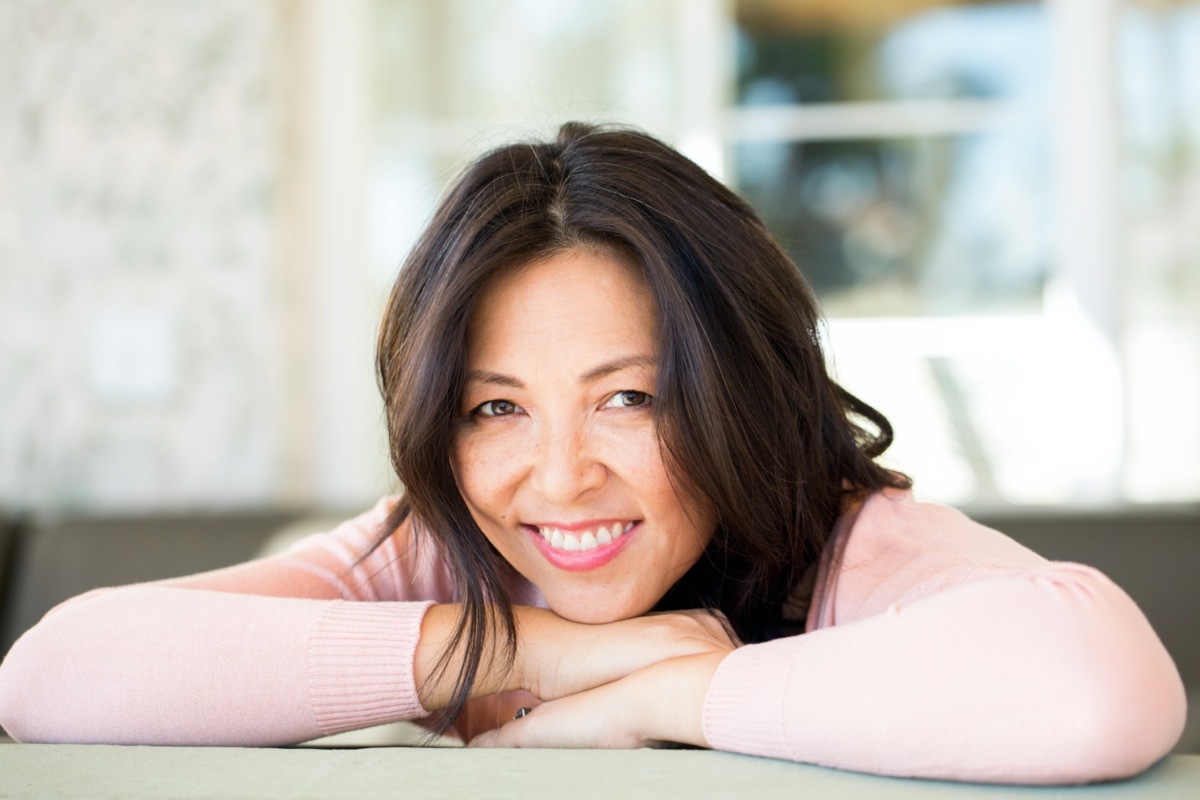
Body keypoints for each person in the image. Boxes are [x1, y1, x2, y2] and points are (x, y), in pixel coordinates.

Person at [0, 122, 1186, 783]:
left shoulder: (847, 541)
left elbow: (1094, 687)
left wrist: (658, 695)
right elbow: (51, 675)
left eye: (626, 397)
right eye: (494, 409)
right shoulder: (438, 551)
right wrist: (539, 650)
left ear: (736, 391)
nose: (558, 477)